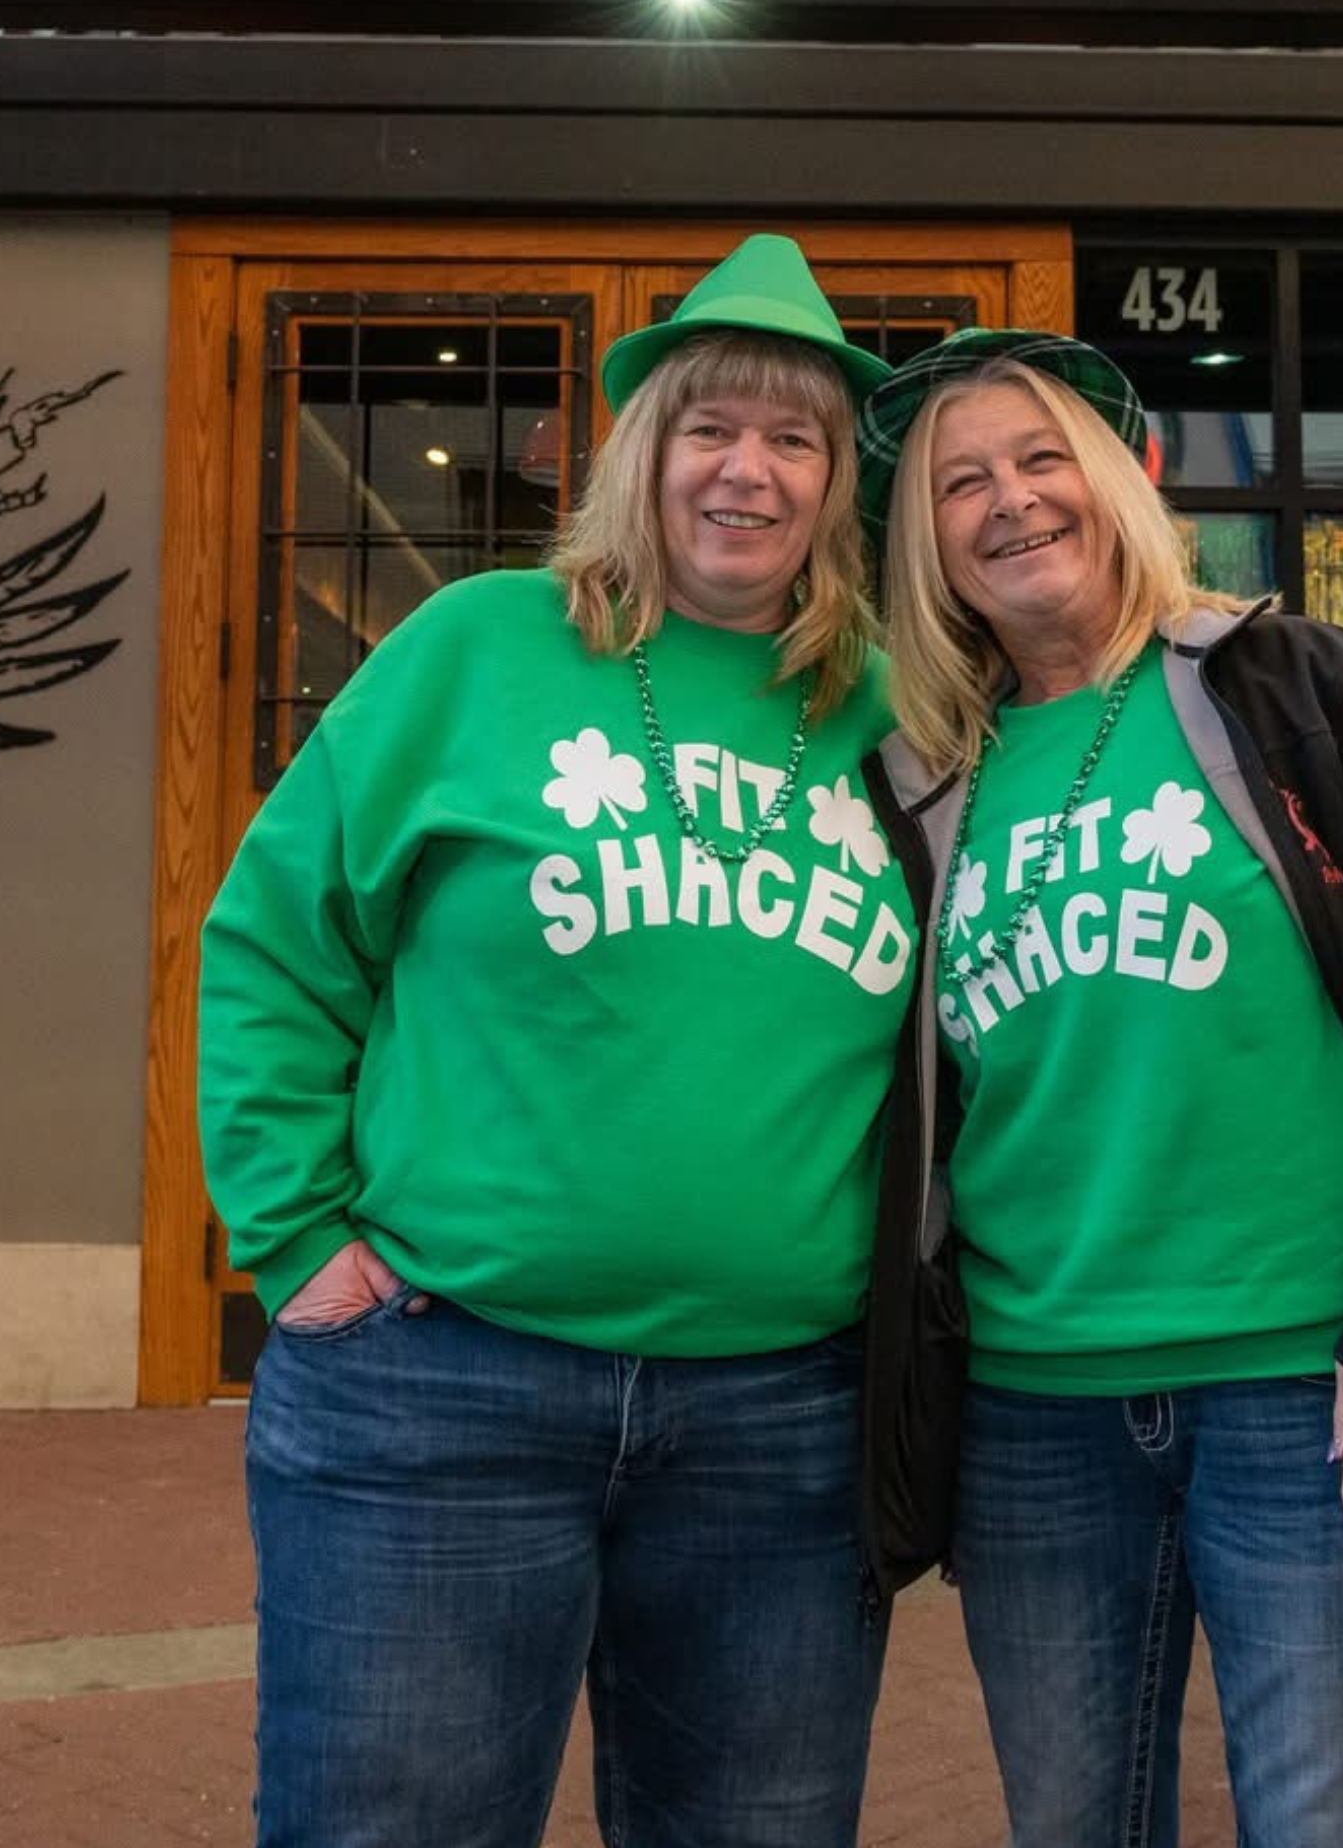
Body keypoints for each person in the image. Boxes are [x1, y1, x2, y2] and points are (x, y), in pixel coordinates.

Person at [854, 330, 1343, 1846]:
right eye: (962, 484)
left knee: (1326, 1824)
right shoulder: (920, 779)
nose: (1010, 501)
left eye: (1040, 460)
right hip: (1036, 1414)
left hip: (1322, 1391)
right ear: (928, 543)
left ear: (1116, 482)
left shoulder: (1298, 692)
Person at [199, 234, 913, 1848]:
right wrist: (293, 1230)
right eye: (709, 429)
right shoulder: (480, 648)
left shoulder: (903, 707)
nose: (749, 471)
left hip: (781, 1429)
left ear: (837, 484)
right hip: (442, 1397)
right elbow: (275, 939)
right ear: (639, 456)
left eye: (794, 439)